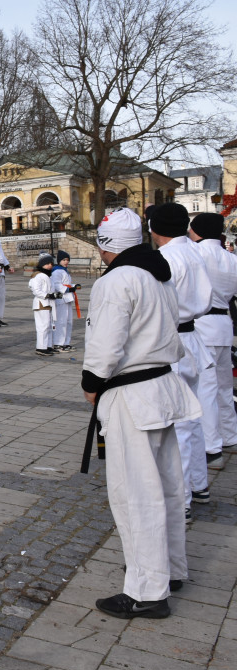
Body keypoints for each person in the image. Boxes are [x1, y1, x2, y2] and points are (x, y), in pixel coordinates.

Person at [82, 206, 199, 619]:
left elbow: (106, 342)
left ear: (105, 245)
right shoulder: (157, 272)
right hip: (162, 386)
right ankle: (171, 568)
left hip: (132, 394)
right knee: (167, 485)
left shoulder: (118, 280)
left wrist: (92, 382)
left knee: (136, 494)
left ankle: (147, 590)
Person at [149, 203, 214, 514]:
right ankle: (198, 484)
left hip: (173, 338)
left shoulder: (167, 257)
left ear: (154, 228)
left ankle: (182, 497)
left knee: (178, 425)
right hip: (190, 336)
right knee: (192, 417)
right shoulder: (193, 252)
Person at [189, 213, 237, 469]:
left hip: (203, 323)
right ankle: (230, 435)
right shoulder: (231, 259)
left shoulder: (196, 254)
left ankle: (211, 447)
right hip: (223, 324)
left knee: (206, 387)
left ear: (197, 231)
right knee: (223, 385)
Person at [50, 251, 79, 352]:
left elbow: (66, 283)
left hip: (68, 298)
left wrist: (73, 286)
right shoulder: (57, 271)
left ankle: (66, 342)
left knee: (68, 321)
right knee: (61, 321)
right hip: (61, 299)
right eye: (64, 260)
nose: (66, 262)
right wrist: (67, 289)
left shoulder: (65, 271)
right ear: (59, 261)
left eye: (67, 260)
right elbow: (57, 284)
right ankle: (58, 343)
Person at [30, 254, 58, 356]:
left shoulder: (48, 275)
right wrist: (47, 295)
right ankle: (41, 347)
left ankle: (48, 345)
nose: (49, 265)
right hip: (41, 303)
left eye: (51, 263)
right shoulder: (38, 275)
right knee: (43, 326)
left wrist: (54, 295)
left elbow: (52, 289)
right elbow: (36, 290)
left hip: (48, 303)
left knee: (49, 325)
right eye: (47, 264)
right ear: (42, 264)